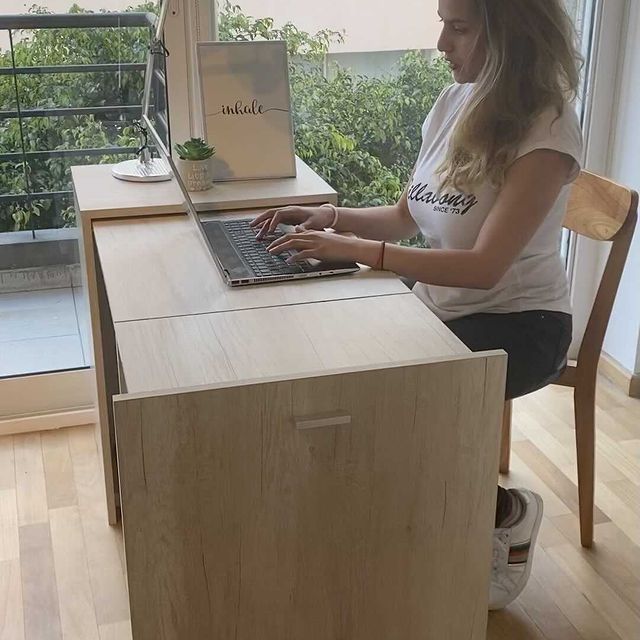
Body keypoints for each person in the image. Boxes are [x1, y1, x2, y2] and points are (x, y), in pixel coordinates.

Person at [251, 0, 582, 610]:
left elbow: (483, 268)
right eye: (442, 23)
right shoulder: (454, 103)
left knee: (396, 390)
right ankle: (402, 523)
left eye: (458, 27)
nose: (440, 43)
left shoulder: (547, 132)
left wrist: (362, 251)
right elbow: (406, 217)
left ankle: (502, 511)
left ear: (510, 36)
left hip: (524, 325)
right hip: (443, 302)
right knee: (341, 348)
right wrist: (328, 217)